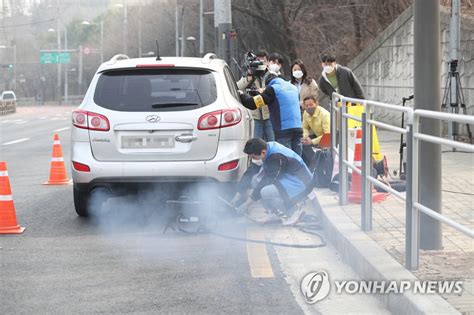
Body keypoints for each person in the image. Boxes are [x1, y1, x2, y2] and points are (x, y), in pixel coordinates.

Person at [234, 138, 312, 225]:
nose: (253, 159)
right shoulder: (265, 148)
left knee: (266, 192)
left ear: (263, 152)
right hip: (288, 177)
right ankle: (275, 213)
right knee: (255, 181)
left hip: (300, 182)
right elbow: (251, 171)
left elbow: (268, 180)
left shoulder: (276, 157)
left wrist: (247, 204)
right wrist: (238, 194)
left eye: (253, 157)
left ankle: (294, 211)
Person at [239, 71, 303, 156]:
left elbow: (252, 104)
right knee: (297, 158)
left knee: (286, 158)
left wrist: (241, 95)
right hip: (298, 128)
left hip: (284, 129)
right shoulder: (293, 87)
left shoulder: (273, 89)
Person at [236, 50, 274, 142]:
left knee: (272, 141)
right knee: (256, 142)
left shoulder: (271, 75)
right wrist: (250, 75)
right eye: (258, 61)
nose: (260, 64)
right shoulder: (251, 76)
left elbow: (275, 88)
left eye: (263, 61)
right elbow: (238, 87)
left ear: (268, 62)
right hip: (255, 116)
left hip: (269, 115)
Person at [301, 96, 331, 167]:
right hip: (318, 136)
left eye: (311, 105)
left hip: (331, 138)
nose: (309, 107)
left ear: (316, 103)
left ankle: (318, 165)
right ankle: (311, 166)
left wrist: (312, 141)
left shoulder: (324, 114)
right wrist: (305, 137)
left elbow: (328, 135)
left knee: (324, 152)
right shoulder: (305, 113)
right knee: (301, 144)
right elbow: (305, 127)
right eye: (306, 105)